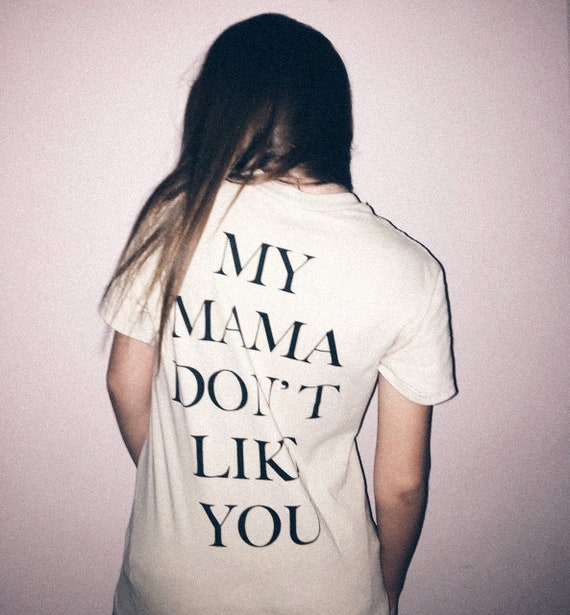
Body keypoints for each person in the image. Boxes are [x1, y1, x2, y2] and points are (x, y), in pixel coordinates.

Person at [101, 13, 456, 615]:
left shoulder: (176, 217)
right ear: (335, 119)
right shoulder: (410, 270)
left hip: (173, 583)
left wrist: (181, 484)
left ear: (216, 109)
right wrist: (390, 587)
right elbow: (401, 483)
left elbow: (123, 382)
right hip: (327, 592)